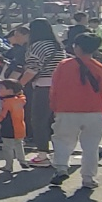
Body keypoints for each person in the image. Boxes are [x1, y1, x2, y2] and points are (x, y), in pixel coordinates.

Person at [49, 32, 102, 190]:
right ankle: (88, 178)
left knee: (63, 140)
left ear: (77, 47)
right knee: (91, 147)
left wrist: (54, 107)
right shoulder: (100, 68)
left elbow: (54, 89)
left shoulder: (64, 65)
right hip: (93, 112)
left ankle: (61, 168)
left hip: (67, 110)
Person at [19, 18, 65, 164]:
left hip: (43, 87)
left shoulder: (37, 46)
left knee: (39, 120)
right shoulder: (58, 46)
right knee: (55, 121)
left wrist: (19, 85)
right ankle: (59, 153)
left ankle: (42, 155)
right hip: (60, 86)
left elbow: (32, 69)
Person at [0, 79, 31, 174]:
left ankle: (8, 166)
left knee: (7, 147)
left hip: (9, 128)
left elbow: (2, 115)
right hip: (20, 127)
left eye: (1, 88)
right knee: (19, 144)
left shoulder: (5, 103)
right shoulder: (20, 100)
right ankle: (22, 161)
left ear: (10, 91)